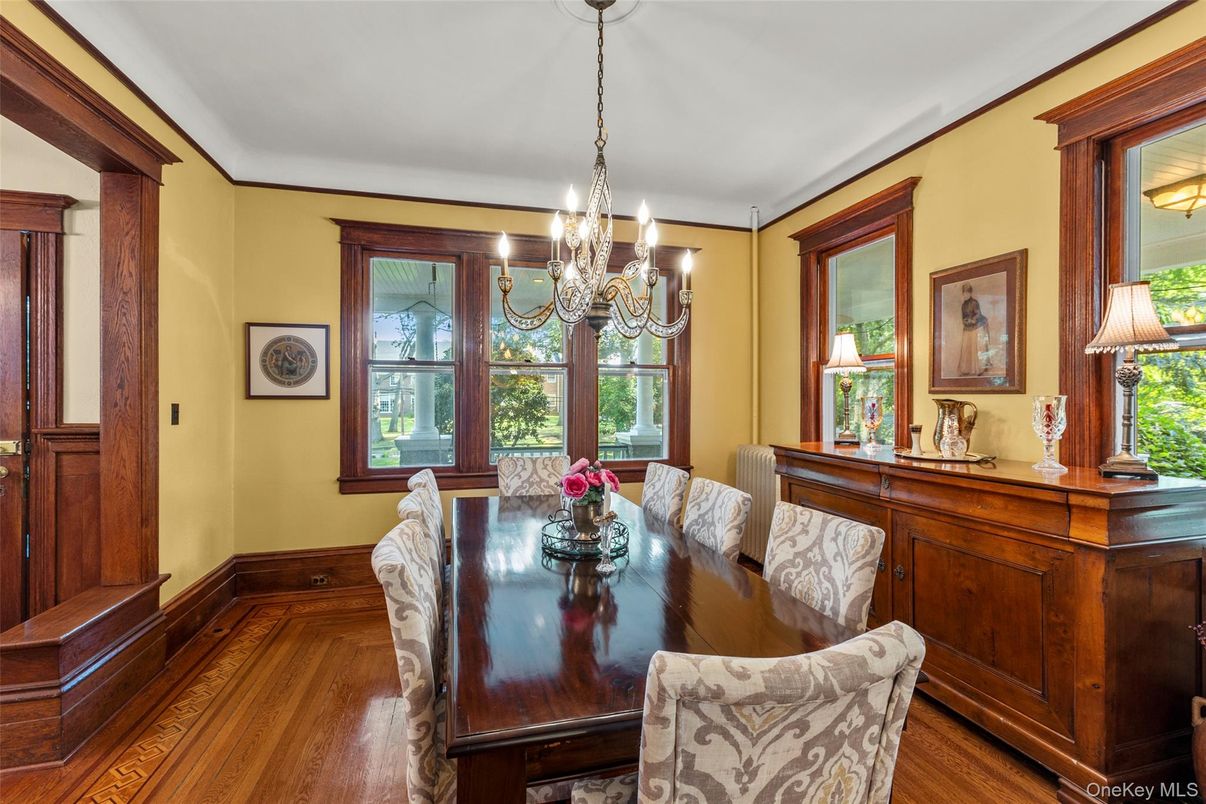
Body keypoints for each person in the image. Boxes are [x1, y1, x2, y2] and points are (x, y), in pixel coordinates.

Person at [957, 283, 991, 376]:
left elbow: (978, 314)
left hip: (977, 326)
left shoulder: (974, 302)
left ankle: (979, 368)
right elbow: (963, 317)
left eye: (967, 293)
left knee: (977, 346)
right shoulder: (963, 305)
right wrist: (966, 321)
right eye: (964, 293)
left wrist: (972, 320)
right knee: (966, 347)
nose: (965, 295)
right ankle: (966, 369)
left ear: (970, 293)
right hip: (968, 326)